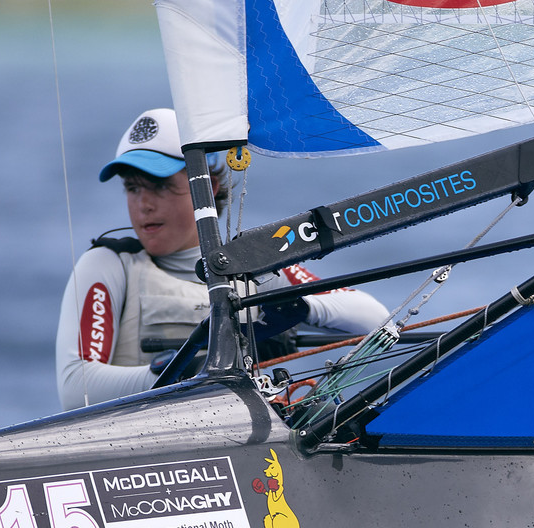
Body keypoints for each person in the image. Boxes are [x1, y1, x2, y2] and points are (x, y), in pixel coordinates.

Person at [54, 108, 390, 411]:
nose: (144, 205)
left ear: (209, 186)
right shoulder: (108, 266)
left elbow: (376, 319)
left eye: (158, 187)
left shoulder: (255, 267)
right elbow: (75, 390)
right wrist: (172, 372)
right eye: (132, 188)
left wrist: (301, 307)